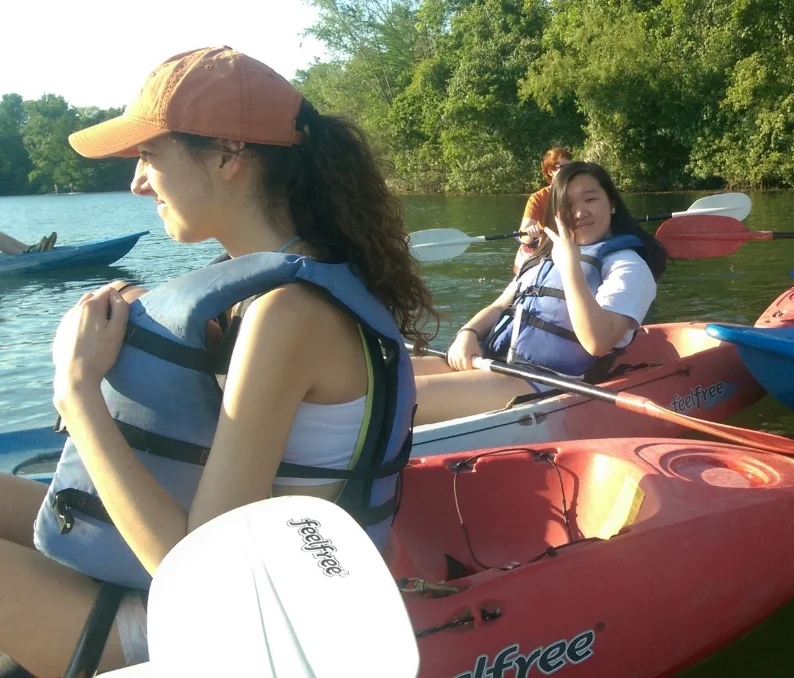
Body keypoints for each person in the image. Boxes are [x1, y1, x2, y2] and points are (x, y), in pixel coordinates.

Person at [0, 46, 436, 676]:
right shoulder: (276, 287)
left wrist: (78, 391)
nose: (137, 183)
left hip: (248, 627)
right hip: (228, 587)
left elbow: (202, 570)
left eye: (150, 157)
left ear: (230, 155)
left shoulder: (288, 316)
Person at [412, 161, 667, 426]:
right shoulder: (545, 255)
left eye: (590, 199)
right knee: (383, 377)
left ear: (612, 204)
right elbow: (501, 306)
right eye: (568, 205)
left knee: (402, 396)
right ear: (556, 213)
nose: (579, 213)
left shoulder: (628, 265)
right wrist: (469, 333)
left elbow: (597, 341)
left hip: (544, 380)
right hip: (492, 359)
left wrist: (570, 266)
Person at [513, 146, 573, 273]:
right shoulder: (538, 198)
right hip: (547, 247)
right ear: (550, 171)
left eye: (570, 168)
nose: (568, 172)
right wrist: (529, 233)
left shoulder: (579, 193)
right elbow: (523, 234)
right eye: (562, 167)